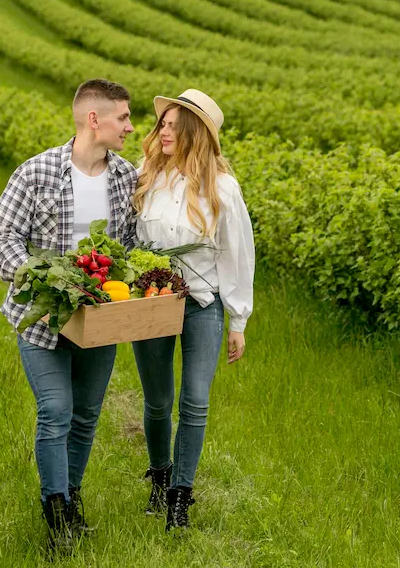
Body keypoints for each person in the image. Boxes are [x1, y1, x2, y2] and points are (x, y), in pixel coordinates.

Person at [0, 79, 136, 551]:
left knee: (87, 415)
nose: (130, 127)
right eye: (123, 118)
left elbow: (133, 247)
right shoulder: (38, 172)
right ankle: (56, 519)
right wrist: (35, 277)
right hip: (45, 315)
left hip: (100, 318)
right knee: (56, 412)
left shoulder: (126, 177)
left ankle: (72, 502)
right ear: (95, 119)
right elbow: (3, 232)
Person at [132, 89, 255, 531]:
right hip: (153, 299)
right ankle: (160, 477)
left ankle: (181, 497)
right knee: (158, 399)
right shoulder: (149, 176)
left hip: (203, 303)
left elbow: (236, 253)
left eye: (171, 124)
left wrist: (238, 319)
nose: (162, 131)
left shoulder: (222, 187)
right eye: (161, 124)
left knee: (196, 401)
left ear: (193, 132)